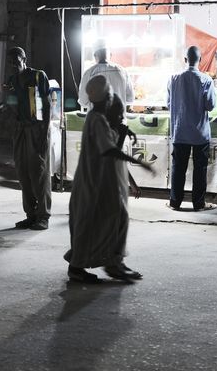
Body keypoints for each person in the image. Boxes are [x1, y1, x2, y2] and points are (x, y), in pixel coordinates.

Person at [65, 75, 154, 283]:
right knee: (90, 223)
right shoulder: (97, 120)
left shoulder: (100, 119)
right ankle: (80, 267)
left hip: (100, 182)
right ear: (107, 98)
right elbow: (109, 151)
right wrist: (141, 163)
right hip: (93, 182)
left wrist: (122, 131)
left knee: (113, 219)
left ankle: (114, 262)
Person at [5, 46, 51, 230]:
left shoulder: (38, 76)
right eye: (10, 62)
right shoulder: (11, 81)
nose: (13, 65)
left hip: (37, 129)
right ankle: (31, 215)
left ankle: (43, 216)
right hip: (20, 130)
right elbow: (10, 104)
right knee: (23, 173)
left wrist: (44, 134)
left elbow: (47, 106)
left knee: (39, 172)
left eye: (16, 61)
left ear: (24, 60)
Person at [167, 45, 217, 211]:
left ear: (185, 59)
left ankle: (175, 202)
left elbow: (169, 104)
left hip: (179, 131)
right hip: (199, 133)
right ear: (200, 60)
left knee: (178, 168)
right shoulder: (206, 80)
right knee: (200, 169)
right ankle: (198, 203)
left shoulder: (173, 78)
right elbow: (210, 105)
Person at [78, 39, 134, 111]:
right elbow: (130, 98)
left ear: (95, 55)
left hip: (97, 117)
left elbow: (83, 101)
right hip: (118, 117)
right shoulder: (122, 71)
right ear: (110, 55)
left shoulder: (88, 73)